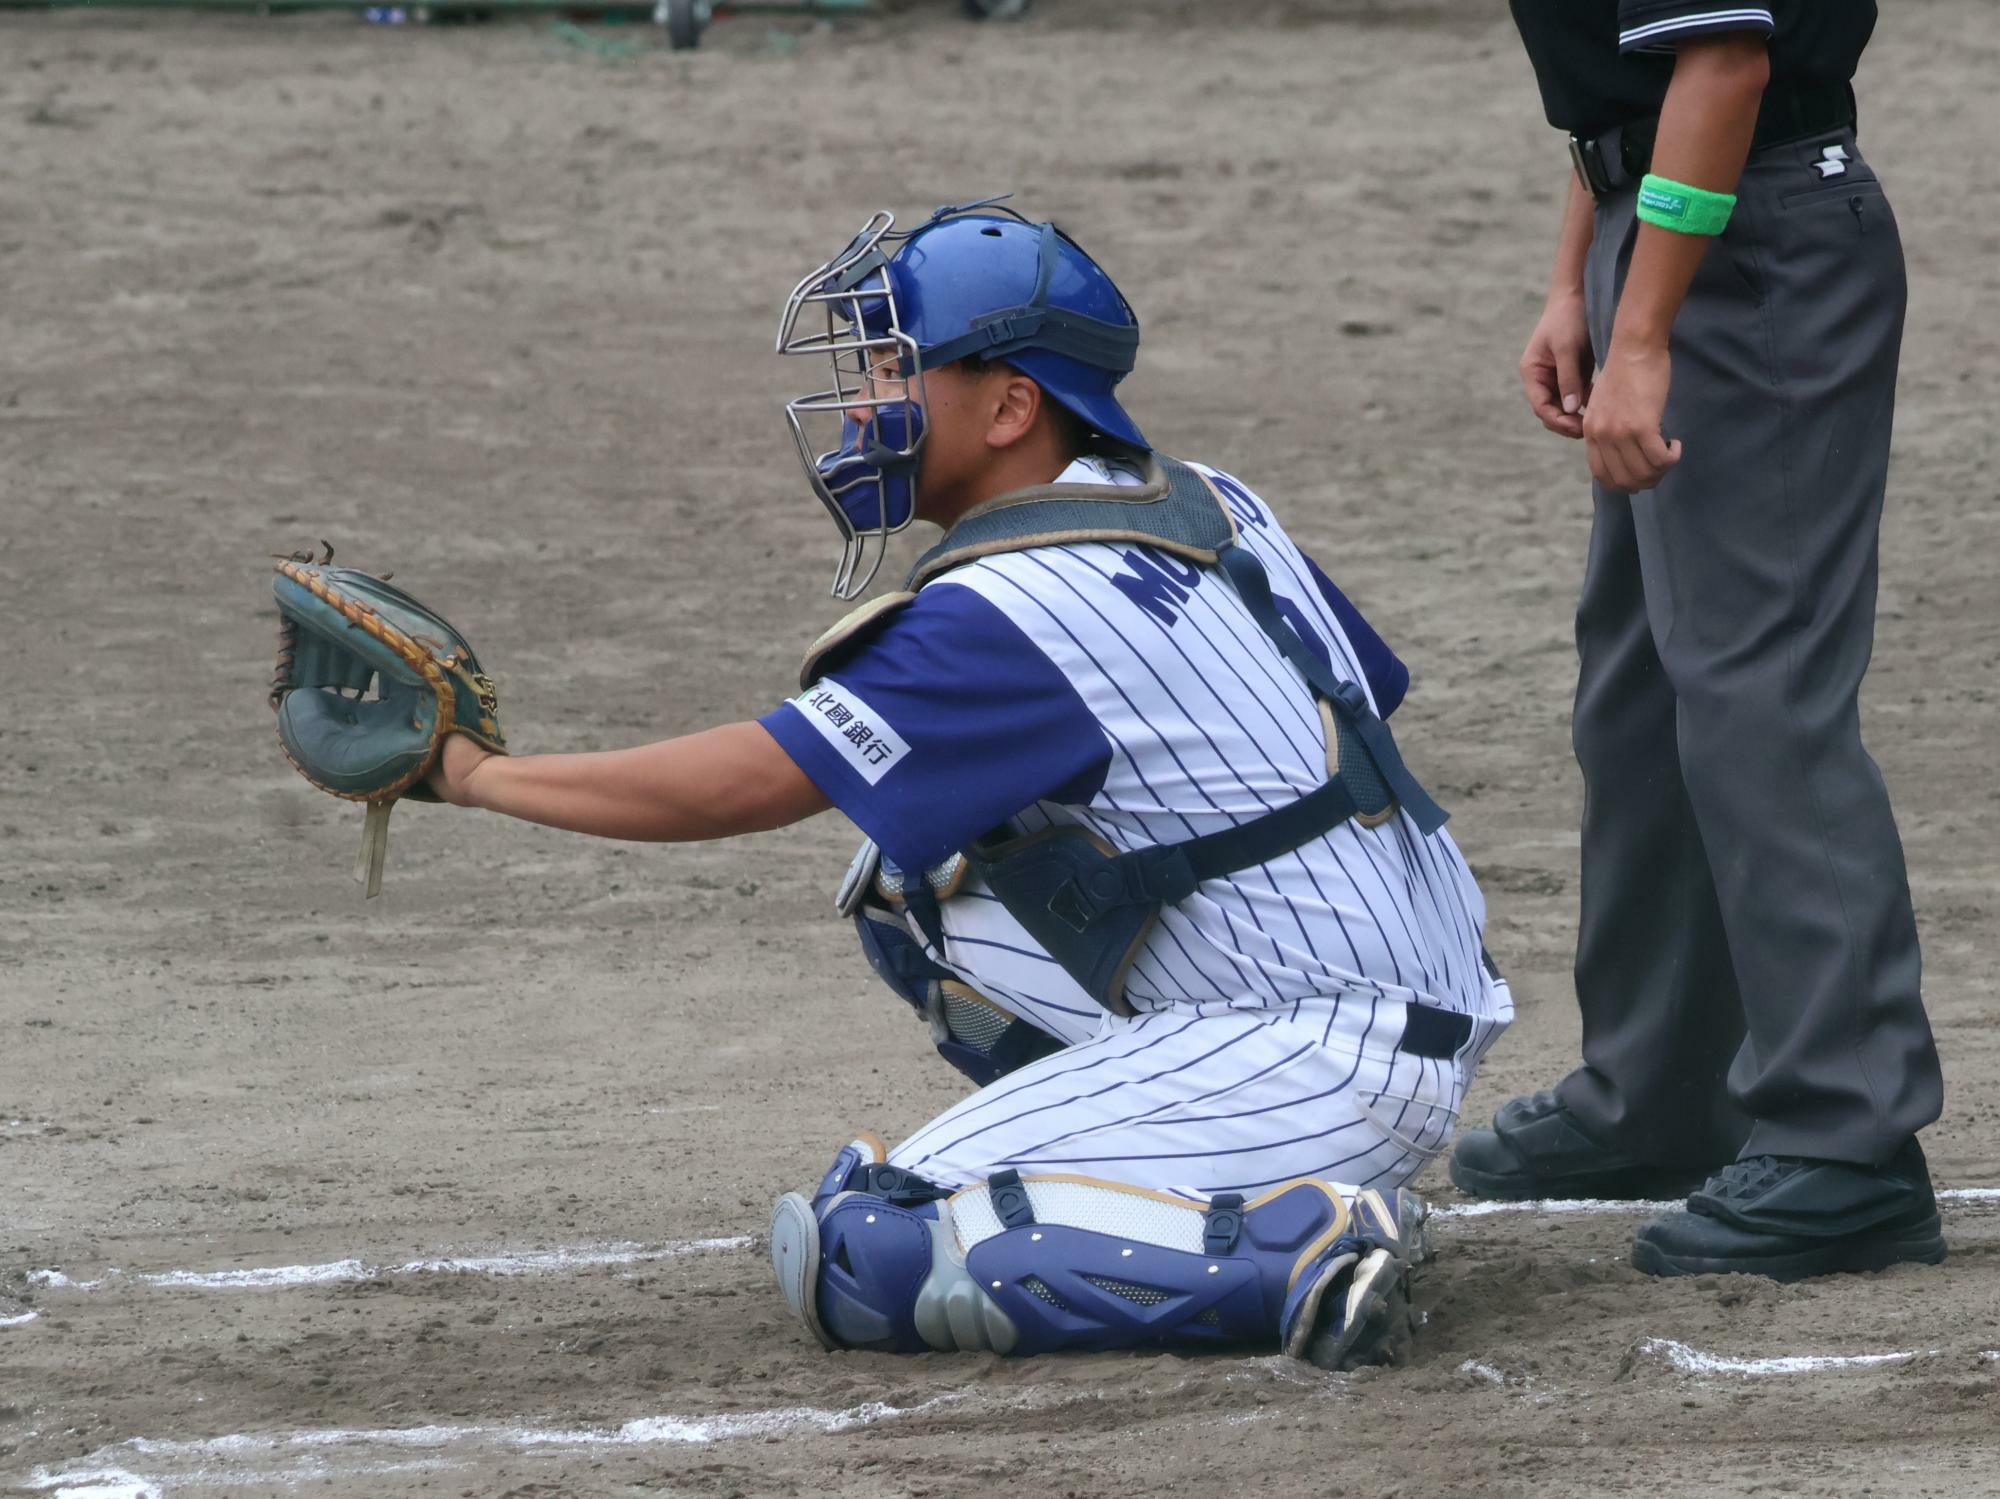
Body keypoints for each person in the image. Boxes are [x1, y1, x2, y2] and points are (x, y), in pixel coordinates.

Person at [426, 199, 1512, 1364]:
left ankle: (1298, 1246)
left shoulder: (1017, 605)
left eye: (896, 366)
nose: (860, 406)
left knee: (870, 1249)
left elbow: (743, 780)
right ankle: (1171, 1143)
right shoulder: (1206, 495)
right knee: (922, 883)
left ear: (1010, 406)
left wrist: (474, 775)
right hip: (1402, 976)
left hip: (1315, 1051)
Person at [1449, 3, 1945, 1280]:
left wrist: (1642, 330)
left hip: (1753, 241)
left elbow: (1725, 63)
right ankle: (1661, 1092)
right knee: (1639, 685)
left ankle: (1847, 1133)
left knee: (1756, 687)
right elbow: (1629, 86)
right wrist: (1579, 280)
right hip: (1665, 213)